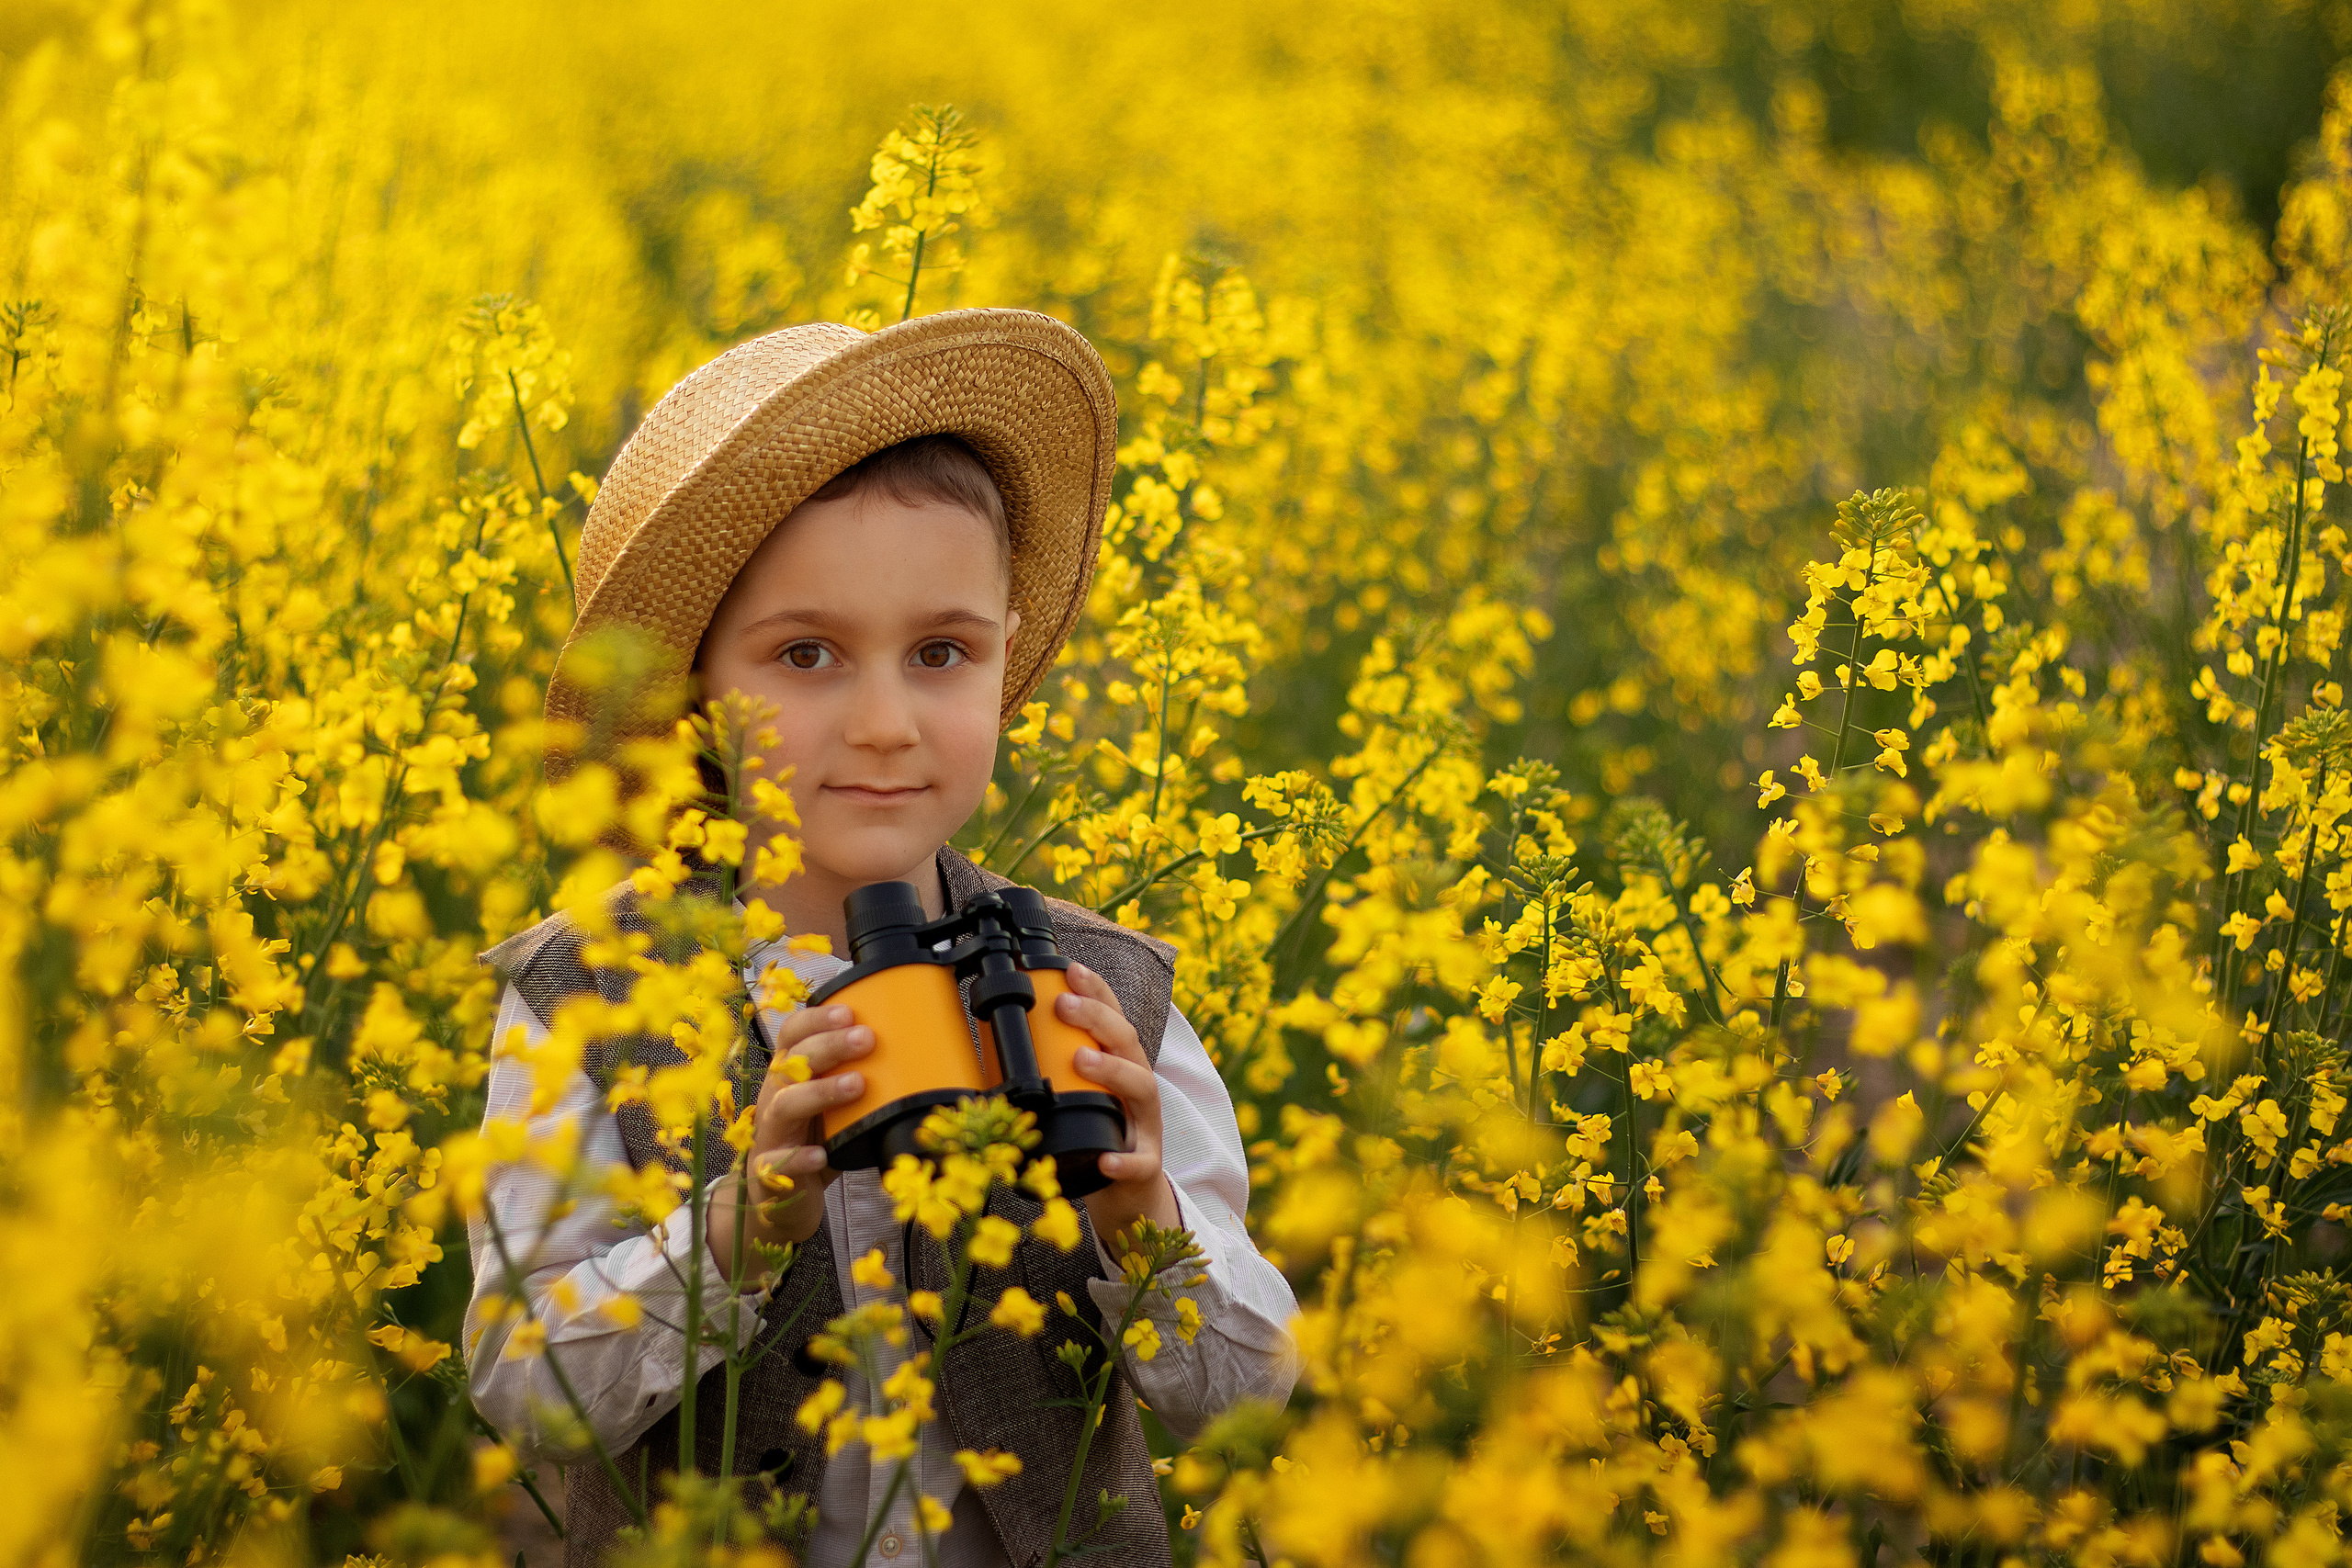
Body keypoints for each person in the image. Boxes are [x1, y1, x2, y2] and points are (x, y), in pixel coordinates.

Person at [461, 310, 1300, 1568]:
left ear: (1007, 661)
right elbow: (526, 1399)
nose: (886, 722)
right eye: (806, 654)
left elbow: (1242, 1401)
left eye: (942, 653)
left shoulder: (1098, 988)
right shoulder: (587, 993)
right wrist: (731, 1235)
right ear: (694, 685)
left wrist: (1145, 1219)